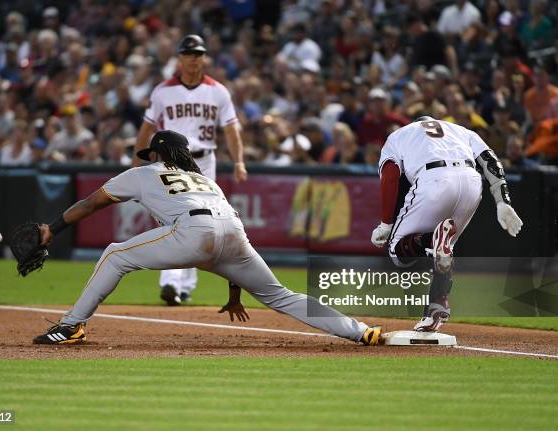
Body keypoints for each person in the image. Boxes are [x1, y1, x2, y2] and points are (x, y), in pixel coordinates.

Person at [32, 130, 382, 346]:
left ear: (157, 154)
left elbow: (91, 203)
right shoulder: (206, 181)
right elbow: (224, 236)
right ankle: (358, 330)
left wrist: (52, 229)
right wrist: (234, 290)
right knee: (281, 295)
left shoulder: (144, 172)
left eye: (151, 153)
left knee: (115, 254)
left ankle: (70, 326)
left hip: (195, 232)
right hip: (233, 235)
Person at [371, 117, 523, 332]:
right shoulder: (460, 130)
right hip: (471, 181)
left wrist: (386, 224)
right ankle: (436, 308)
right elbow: (490, 161)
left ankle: (432, 240)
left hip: (433, 179)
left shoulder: (399, 134)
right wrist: (503, 201)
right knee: (444, 250)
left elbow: (390, 176)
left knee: (398, 251)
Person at [133, 34, 248, 306]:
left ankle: (184, 286)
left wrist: (239, 160)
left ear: (205, 57)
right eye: (189, 53)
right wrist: (136, 162)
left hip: (204, 160)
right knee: (175, 218)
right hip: (170, 161)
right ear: (179, 58)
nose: (194, 58)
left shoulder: (218, 91)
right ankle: (172, 282)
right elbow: (146, 129)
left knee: (202, 221)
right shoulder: (162, 91)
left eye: (199, 53)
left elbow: (232, 130)